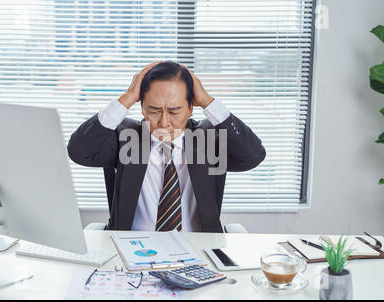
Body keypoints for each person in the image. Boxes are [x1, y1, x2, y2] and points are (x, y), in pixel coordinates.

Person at [67, 61, 266, 232]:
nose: (164, 122)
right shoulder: (125, 136)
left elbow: (252, 156)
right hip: (132, 248)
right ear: (142, 107)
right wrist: (127, 97)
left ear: (190, 108)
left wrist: (207, 102)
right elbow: (79, 151)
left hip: (198, 248)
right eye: (154, 110)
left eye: (174, 111)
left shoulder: (209, 137)